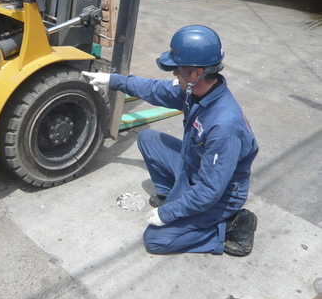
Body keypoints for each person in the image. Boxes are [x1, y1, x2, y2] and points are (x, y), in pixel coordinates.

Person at [82, 25, 259, 256]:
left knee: (156, 240)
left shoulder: (224, 125)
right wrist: (113, 80)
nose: (174, 73)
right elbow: (154, 89)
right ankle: (171, 196)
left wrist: (168, 214)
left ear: (197, 73)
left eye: (177, 69)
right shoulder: (196, 91)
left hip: (219, 194)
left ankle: (232, 224)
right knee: (148, 139)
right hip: (195, 167)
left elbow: (210, 190)